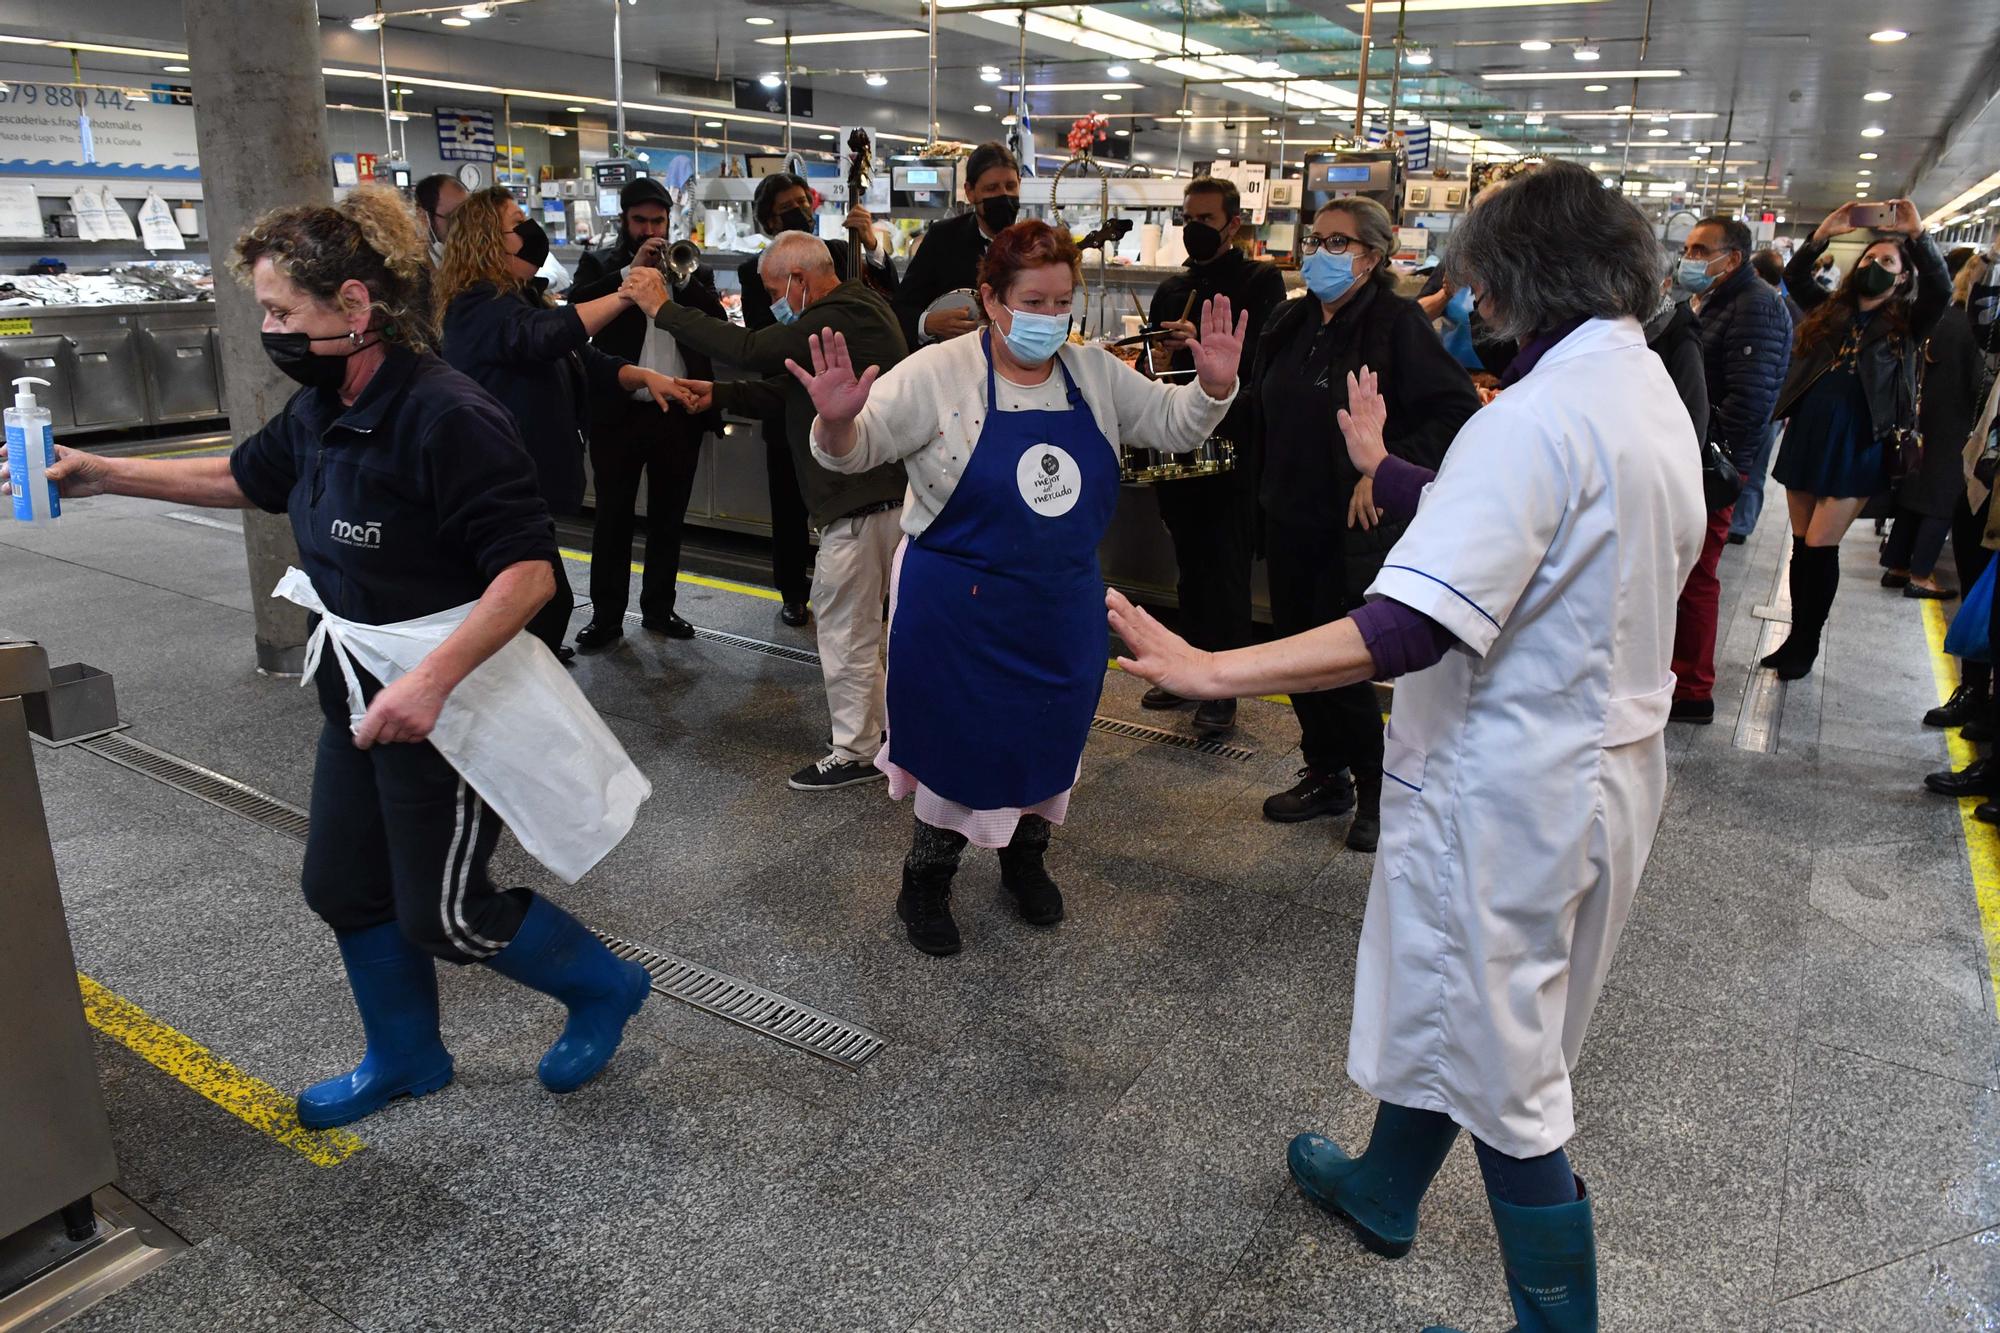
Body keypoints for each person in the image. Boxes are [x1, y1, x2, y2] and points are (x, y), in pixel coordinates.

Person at [1107, 159, 1705, 1333]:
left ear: (1517, 282)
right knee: (1468, 1013)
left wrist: (1207, 667)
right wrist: (1384, 464)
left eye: (1476, 282)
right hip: (1593, 773)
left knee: (1507, 1070)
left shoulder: (1530, 420)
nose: (1467, 302)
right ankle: (1384, 1185)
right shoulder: (1635, 392)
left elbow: (1403, 626)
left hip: (1509, 792)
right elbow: (1532, 528)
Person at [2, 186, 653, 1127]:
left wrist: (428, 685)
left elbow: (528, 576)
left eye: (280, 312)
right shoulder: (324, 402)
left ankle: (604, 987)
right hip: (357, 686)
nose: (269, 328)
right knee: (343, 884)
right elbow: (245, 474)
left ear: (355, 306)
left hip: (452, 700)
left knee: (446, 914)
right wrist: (102, 472)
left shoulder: (445, 415)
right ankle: (408, 1056)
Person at [801, 220, 1244, 957]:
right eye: (1032, 300)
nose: (1049, 317)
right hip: (957, 605)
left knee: (1051, 739)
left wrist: (1213, 387)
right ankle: (926, 878)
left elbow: (1171, 425)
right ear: (990, 298)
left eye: (1062, 300)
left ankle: (1025, 859)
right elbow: (857, 446)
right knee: (953, 747)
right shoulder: (937, 372)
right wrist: (836, 424)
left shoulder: (1092, 374)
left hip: (1060, 601)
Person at [621, 233, 910, 792]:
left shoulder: (838, 313)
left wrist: (664, 309)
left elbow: (754, 350)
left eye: (778, 289)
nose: (777, 302)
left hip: (862, 499)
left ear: (799, 279)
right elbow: (787, 391)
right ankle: (885, 739)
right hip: (883, 497)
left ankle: (856, 751)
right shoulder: (855, 311)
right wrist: (721, 394)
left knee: (847, 629)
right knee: (874, 629)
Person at [1253, 197, 1479, 853]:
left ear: (1372, 256)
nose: (1320, 252)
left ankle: (1378, 785)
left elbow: (1455, 410)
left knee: (1342, 667)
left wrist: (1380, 467)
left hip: (1350, 531)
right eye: (1316, 238)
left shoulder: (1396, 323)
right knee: (1296, 657)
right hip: (1287, 514)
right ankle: (1326, 772)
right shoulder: (1293, 318)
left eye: (1338, 242)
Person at [434, 187, 691, 662]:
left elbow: (583, 357)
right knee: (544, 599)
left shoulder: (520, 299)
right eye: (518, 222)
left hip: (527, 481)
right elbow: (547, 336)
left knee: (541, 599)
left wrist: (643, 375)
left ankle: (533, 666)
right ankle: (524, 681)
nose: (530, 230)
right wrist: (628, 292)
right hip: (496, 481)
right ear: (490, 241)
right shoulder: (476, 306)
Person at [1765, 200, 1949, 680]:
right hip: (1809, 433)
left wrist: (1918, 236)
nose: (1874, 265)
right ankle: (1792, 638)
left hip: (1859, 442)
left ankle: (1806, 644)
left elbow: (1942, 290)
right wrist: (1825, 231)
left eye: (1887, 262)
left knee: (1822, 546)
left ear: (1903, 277)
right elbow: (1799, 276)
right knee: (1802, 547)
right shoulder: (1829, 311)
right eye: (1869, 259)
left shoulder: (1908, 325)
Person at [1136, 177, 1288, 737]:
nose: (1193, 229)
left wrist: (1204, 341)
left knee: (1224, 565)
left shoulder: (1260, 280)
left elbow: (1265, 356)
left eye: (1205, 218)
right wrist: (1161, 346)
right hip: (1179, 436)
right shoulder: (1173, 287)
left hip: (1233, 441)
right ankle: (1184, 670)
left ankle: (1222, 684)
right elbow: (1154, 365)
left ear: (1234, 224)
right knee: (1190, 562)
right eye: (1187, 218)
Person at [565, 178, 725, 651]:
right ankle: (607, 618)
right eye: (640, 221)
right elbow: (572, 310)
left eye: (658, 221)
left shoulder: (688, 264)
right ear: (624, 221)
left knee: (668, 518)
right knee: (612, 518)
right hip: (620, 412)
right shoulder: (602, 264)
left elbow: (714, 320)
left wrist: (683, 282)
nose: (649, 229)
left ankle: (659, 608)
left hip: (678, 412)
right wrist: (627, 276)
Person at [737, 172, 900, 628]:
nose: (799, 210)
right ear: (769, 219)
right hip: (790, 403)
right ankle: (793, 591)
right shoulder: (756, 273)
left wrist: (870, 246)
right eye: (786, 206)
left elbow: (887, 291)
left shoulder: (833, 253)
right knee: (788, 505)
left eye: (802, 201)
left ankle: (879, 588)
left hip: (848, 413)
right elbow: (765, 337)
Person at [1672, 215, 1792, 722]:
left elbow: (1750, 400)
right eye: (1689, 248)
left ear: (1733, 258)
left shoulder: (1757, 306)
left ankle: (1694, 689)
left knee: (1698, 577)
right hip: (1695, 455)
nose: (1690, 258)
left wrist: (1712, 458)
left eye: (1701, 250)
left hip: (1712, 466)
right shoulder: (1718, 299)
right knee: (1682, 575)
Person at [1882, 248, 1982, 599]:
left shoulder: (1943, 316)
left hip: (1922, 415)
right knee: (1943, 499)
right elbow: (1977, 384)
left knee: (1915, 490)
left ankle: (1896, 564)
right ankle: (1921, 574)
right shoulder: (1976, 330)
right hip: (1956, 421)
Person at [892, 140, 1021, 351]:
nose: (1003, 196)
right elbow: (900, 309)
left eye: (1010, 186)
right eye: (991, 188)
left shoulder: (1034, 244)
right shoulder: (942, 238)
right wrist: (928, 322)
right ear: (970, 192)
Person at [417, 172, 570, 292]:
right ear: (423, 218)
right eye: (453, 218)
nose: (463, 226)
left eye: (469, 217)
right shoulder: (412, 278)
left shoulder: (484, 271)